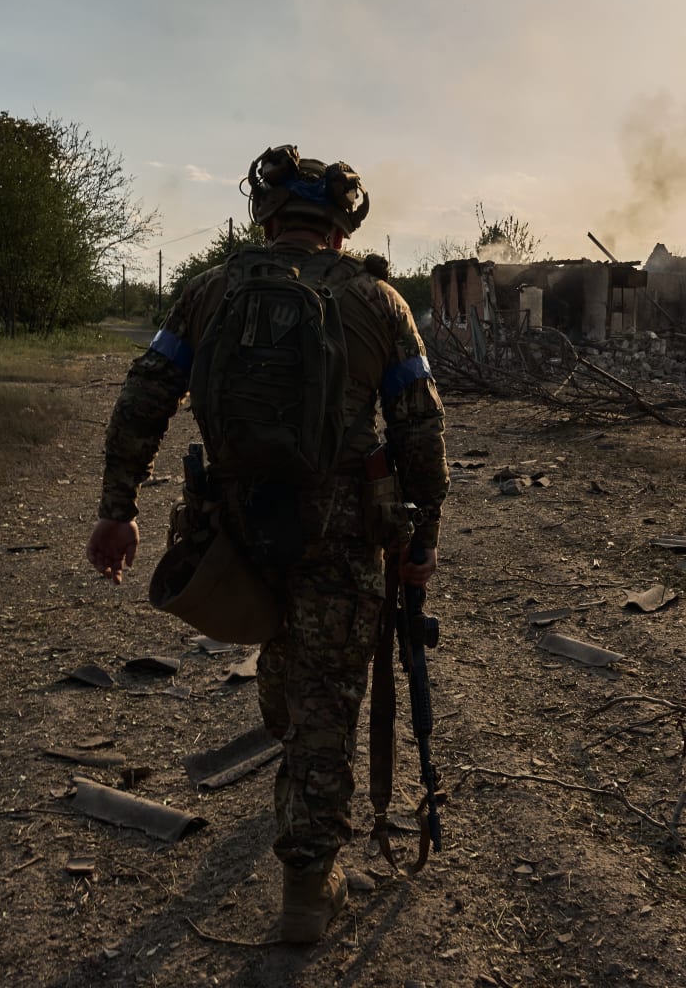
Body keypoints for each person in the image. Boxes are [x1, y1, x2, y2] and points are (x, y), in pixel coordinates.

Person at [85, 144, 449, 943]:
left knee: (284, 663)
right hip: (344, 534)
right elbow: (420, 428)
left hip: (239, 525)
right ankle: (308, 893)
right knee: (327, 703)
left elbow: (145, 393)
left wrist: (119, 508)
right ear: (342, 231)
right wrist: (421, 537)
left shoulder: (208, 293)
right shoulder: (380, 302)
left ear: (265, 217)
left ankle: (295, 773)